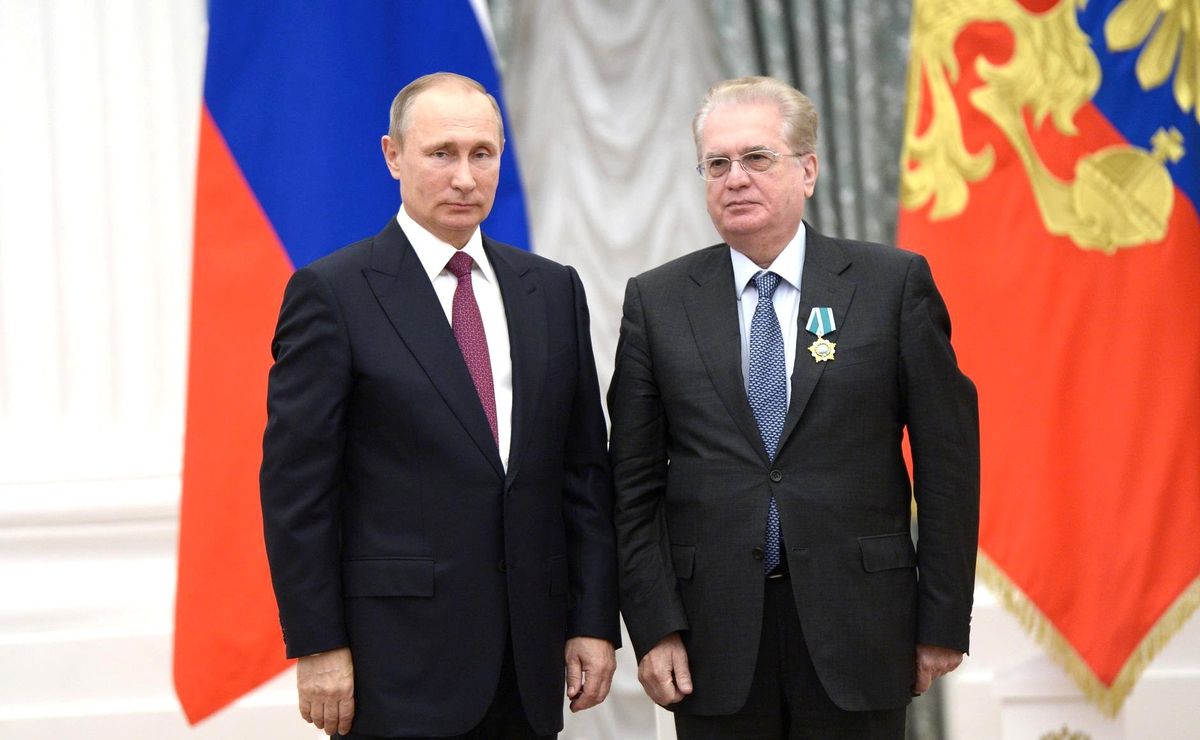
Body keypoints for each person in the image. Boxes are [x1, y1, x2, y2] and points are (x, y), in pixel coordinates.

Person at [608, 76, 980, 739]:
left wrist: (941, 620)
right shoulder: (658, 302)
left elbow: (948, 465)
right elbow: (632, 486)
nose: (735, 179)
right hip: (712, 641)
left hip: (863, 630)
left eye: (757, 158)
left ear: (807, 170)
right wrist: (654, 626)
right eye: (716, 164)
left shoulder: (890, 286)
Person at [260, 72, 619, 740]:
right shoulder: (332, 295)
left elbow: (584, 475)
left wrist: (593, 619)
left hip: (530, 661)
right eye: (441, 153)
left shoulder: (552, 290)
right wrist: (317, 645)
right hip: (394, 664)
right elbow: (297, 491)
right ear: (393, 156)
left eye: (482, 153)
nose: (464, 176)